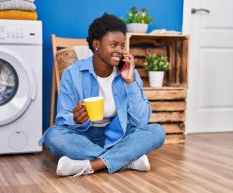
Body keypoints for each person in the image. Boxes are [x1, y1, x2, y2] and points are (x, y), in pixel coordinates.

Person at [39, 13, 165, 177]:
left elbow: (141, 121)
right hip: (84, 136)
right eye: (113, 45)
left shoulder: (129, 73)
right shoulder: (73, 74)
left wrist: (130, 82)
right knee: (52, 135)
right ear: (96, 44)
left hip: (119, 135)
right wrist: (76, 119)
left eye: (122, 46)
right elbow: (62, 118)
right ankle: (126, 159)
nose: (119, 51)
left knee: (157, 132)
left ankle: (92, 164)